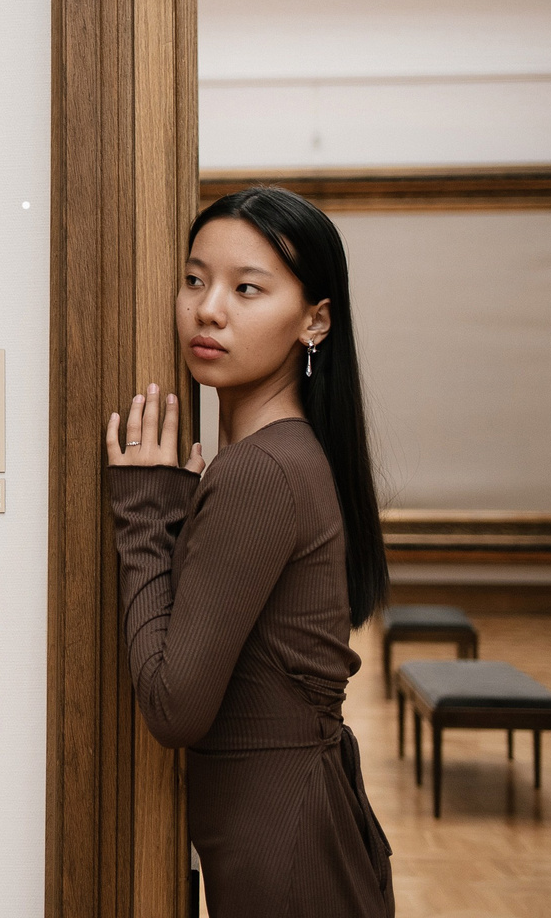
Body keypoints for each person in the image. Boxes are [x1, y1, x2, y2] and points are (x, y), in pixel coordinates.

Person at [106, 185, 394, 916]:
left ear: (314, 321)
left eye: (247, 288)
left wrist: (145, 515)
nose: (208, 309)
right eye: (194, 280)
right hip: (293, 826)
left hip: (285, 846)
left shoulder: (261, 470)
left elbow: (174, 708)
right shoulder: (285, 455)